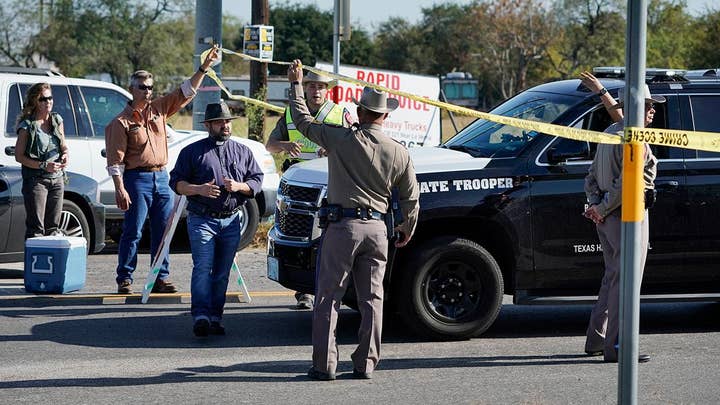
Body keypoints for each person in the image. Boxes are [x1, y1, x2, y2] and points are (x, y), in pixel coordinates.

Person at [286, 60, 420, 381]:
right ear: (385, 116)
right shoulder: (399, 152)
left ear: (360, 112)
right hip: (377, 230)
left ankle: (324, 365)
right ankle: (365, 364)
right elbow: (411, 197)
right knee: (372, 299)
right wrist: (406, 228)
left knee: (328, 297)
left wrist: (295, 85)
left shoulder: (341, 139)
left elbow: (303, 122)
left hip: (342, 227)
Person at [105, 45, 220, 294]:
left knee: (164, 231)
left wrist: (204, 67)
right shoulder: (121, 122)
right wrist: (120, 189)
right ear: (131, 89)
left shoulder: (158, 109)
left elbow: (185, 91)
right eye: (142, 87)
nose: (147, 92)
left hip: (162, 176)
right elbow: (115, 161)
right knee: (133, 231)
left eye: (150, 88)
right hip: (137, 179)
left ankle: (159, 277)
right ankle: (124, 277)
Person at [583, 84, 665, 363]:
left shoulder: (609, 134)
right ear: (633, 109)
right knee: (627, 283)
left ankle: (597, 338)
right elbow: (626, 185)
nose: (653, 110)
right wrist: (603, 207)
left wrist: (596, 206)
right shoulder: (634, 141)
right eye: (648, 105)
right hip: (627, 217)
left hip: (607, 218)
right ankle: (617, 347)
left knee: (613, 278)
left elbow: (591, 175)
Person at [170, 102, 264, 337]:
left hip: (231, 221)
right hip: (202, 219)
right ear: (209, 125)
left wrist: (240, 186)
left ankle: (215, 317)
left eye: (228, 121)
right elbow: (176, 183)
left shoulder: (243, 151)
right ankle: (200, 315)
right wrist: (198, 189)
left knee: (222, 272)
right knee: (203, 267)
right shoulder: (192, 152)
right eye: (220, 122)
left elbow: (257, 181)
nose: (226, 125)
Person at [266, 70, 353, 310]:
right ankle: (304, 292)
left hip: (331, 183)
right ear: (304, 89)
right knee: (303, 241)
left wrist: (334, 150)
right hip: (300, 188)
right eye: (312, 86)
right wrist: (284, 145)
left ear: (328, 90)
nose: (316, 91)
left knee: (331, 240)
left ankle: (335, 291)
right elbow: (270, 145)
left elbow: (355, 145)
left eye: (321, 87)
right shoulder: (291, 113)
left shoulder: (339, 114)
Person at [14, 83, 69, 239]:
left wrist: (65, 156)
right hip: (36, 181)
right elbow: (19, 157)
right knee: (36, 229)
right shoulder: (27, 126)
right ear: (35, 102)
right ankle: (34, 263)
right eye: (43, 99)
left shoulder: (57, 120)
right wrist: (44, 165)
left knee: (53, 228)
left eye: (50, 98)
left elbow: (64, 146)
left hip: (57, 179)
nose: (48, 102)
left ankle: (51, 263)